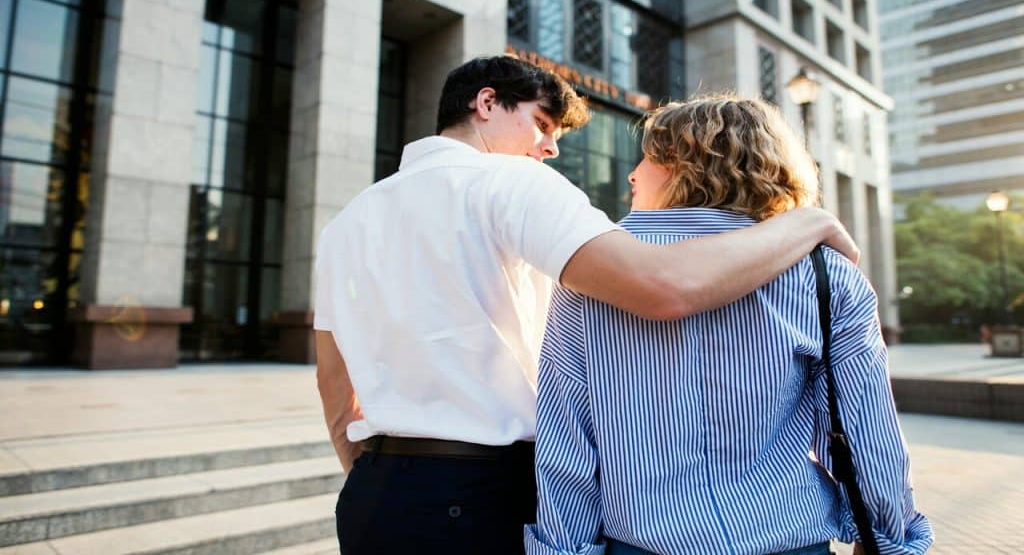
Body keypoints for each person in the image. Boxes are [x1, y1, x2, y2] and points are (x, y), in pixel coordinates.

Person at [314, 57, 859, 555]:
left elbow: (335, 387)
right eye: (543, 124)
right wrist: (809, 221)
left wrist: (379, 479)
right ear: (486, 104)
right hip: (484, 493)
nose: (550, 147)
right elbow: (662, 285)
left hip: (375, 499)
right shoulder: (514, 181)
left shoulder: (348, 221)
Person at [526, 94, 932, 555]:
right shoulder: (825, 272)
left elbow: (567, 437)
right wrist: (887, 537)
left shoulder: (595, 271)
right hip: (787, 536)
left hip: (644, 542)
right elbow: (868, 426)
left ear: (684, 163)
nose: (632, 173)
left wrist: (565, 547)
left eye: (648, 157)